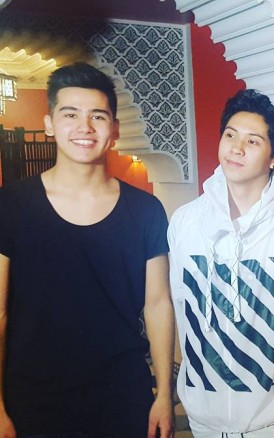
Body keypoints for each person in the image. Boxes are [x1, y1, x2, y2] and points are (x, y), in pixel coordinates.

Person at [0, 63, 175, 437]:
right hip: (32, 396)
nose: (85, 127)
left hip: (122, 393)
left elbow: (158, 303)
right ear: (49, 123)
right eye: (70, 115)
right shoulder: (11, 205)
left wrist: (163, 394)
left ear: (115, 129)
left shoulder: (146, 210)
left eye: (97, 116)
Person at [167, 89, 274, 438]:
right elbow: (180, 306)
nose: (236, 148)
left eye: (252, 141)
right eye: (230, 135)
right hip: (204, 421)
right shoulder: (184, 221)